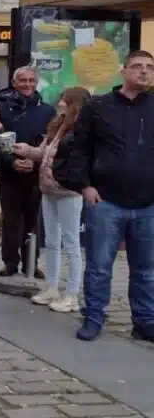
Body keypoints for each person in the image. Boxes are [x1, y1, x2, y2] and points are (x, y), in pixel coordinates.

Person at [55, 50, 154, 343]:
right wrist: (84, 185)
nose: (144, 72)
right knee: (99, 266)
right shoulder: (97, 106)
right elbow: (80, 149)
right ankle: (94, 317)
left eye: (150, 67)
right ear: (123, 71)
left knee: (146, 269)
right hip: (105, 201)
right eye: (137, 67)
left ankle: (145, 321)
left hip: (148, 202)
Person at [14, 87, 90, 314]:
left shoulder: (80, 130)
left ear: (74, 104)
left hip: (68, 192)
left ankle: (72, 294)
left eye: (64, 101)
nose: (60, 105)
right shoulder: (59, 127)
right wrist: (26, 150)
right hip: (49, 190)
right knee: (53, 242)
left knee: (71, 243)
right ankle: (52, 287)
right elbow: (43, 154)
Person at [0, 66, 55, 278]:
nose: (27, 84)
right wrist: (11, 162)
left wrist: (34, 163)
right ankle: (10, 262)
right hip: (9, 173)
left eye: (31, 80)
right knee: (10, 220)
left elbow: (50, 143)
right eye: (23, 80)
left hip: (34, 175)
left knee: (33, 220)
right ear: (14, 83)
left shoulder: (47, 111)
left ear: (36, 83)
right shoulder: (1, 109)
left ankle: (31, 263)